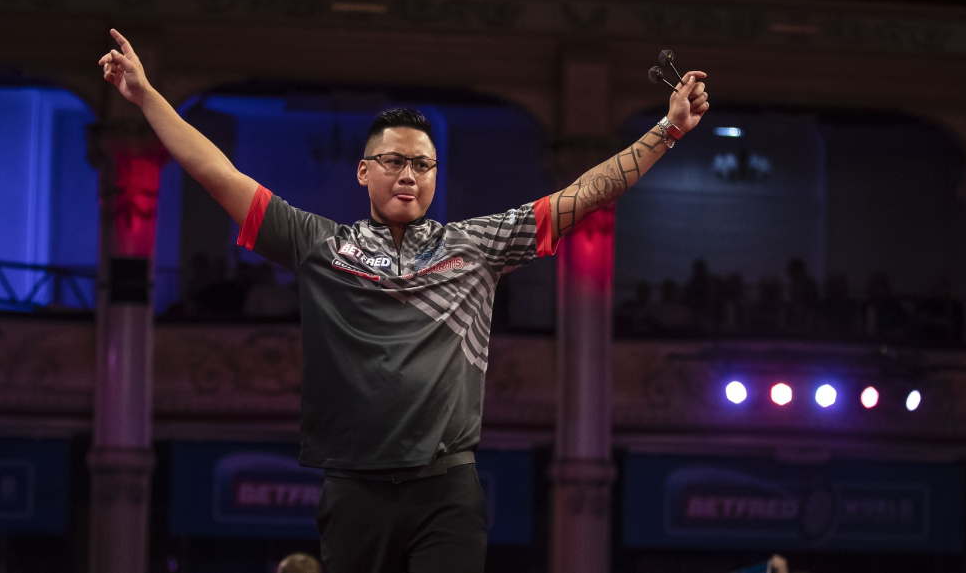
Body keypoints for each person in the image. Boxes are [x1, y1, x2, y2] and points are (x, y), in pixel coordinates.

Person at [99, 28, 709, 573]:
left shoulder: (477, 247)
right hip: (353, 488)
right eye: (393, 161)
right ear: (363, 171)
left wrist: (668, 128)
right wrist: (147, 97)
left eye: (423, 163)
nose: (409, 174)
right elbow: (218, 173)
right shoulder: (320, 245)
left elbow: (585, 193)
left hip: (447, 488)